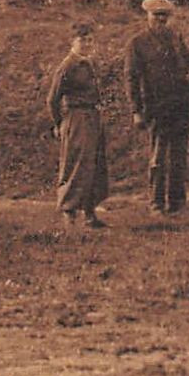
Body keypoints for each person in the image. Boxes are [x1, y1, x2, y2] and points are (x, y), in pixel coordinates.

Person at [126, 0, 189, 216]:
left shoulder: (176, 38)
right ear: (147, 16)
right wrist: (136, 111)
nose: (160, 20)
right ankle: (156, 203)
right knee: (158, 157)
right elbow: (131, 78)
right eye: (156, 15)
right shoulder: (137, 43)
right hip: (156, 107)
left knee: (179, 157)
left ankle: (177, 202)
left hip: (179, 105)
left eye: (164, 16)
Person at [47, 22, 110, 228]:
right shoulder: (68, 66)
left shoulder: (89, 63)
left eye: (90, 40)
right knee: (76, 164)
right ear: (72, 42)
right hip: (76, 118)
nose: (86, 44)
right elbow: (52, 99)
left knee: (94, 163)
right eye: (82, 40)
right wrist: (59, 123)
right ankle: (69, 212)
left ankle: (90, 214)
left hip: (92, 116)